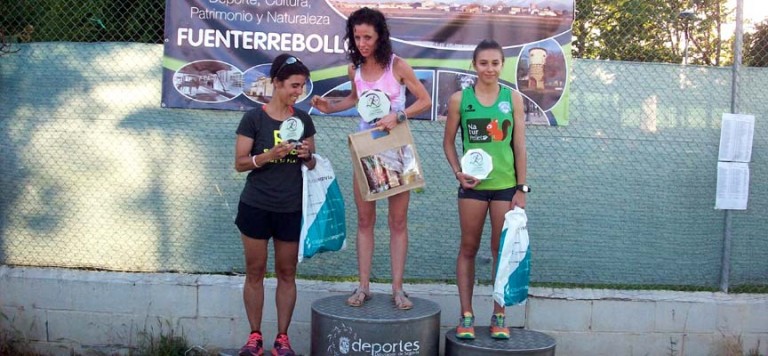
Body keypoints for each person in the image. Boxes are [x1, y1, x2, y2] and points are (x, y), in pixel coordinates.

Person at [311, 7, 431, 310]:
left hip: (397, 149)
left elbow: (425, 101)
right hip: (365, 150)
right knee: (365, 221)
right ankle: (363, 287)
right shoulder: (355, 69)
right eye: (357, 37)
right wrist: (330, 107)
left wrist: (398, 115)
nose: (362, 43)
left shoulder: (398, 66)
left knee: (398, 222)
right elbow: (354, 100)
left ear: (380, 37)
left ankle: (398, 289)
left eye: (368, 37)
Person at [442, 39, 528, 340]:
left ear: (502, 65)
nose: (489, 68)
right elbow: (448, 143)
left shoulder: (513, 99)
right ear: (474, 65)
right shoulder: (459, 100)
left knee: (500, 252)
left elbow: (519, 145)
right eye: (483, 63)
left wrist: (522, 187)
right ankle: (466, 315)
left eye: (495, 63)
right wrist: (458, 174)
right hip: (473, 190)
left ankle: (499, 313)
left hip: (505, 188)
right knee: (468, 248)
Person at [234, 53, 316, 356]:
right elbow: (240, 163)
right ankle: (254, 337)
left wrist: (308, 156)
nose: (299, 91)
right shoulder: (254, 118)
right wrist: (270, 155)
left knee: (286, 273)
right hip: (256, 206)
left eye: (302, 86)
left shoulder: (303, 119)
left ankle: (282, 339)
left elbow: (312, 164)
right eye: (294, 85)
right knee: (255, 272)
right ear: (277, 83)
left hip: (291, 208)